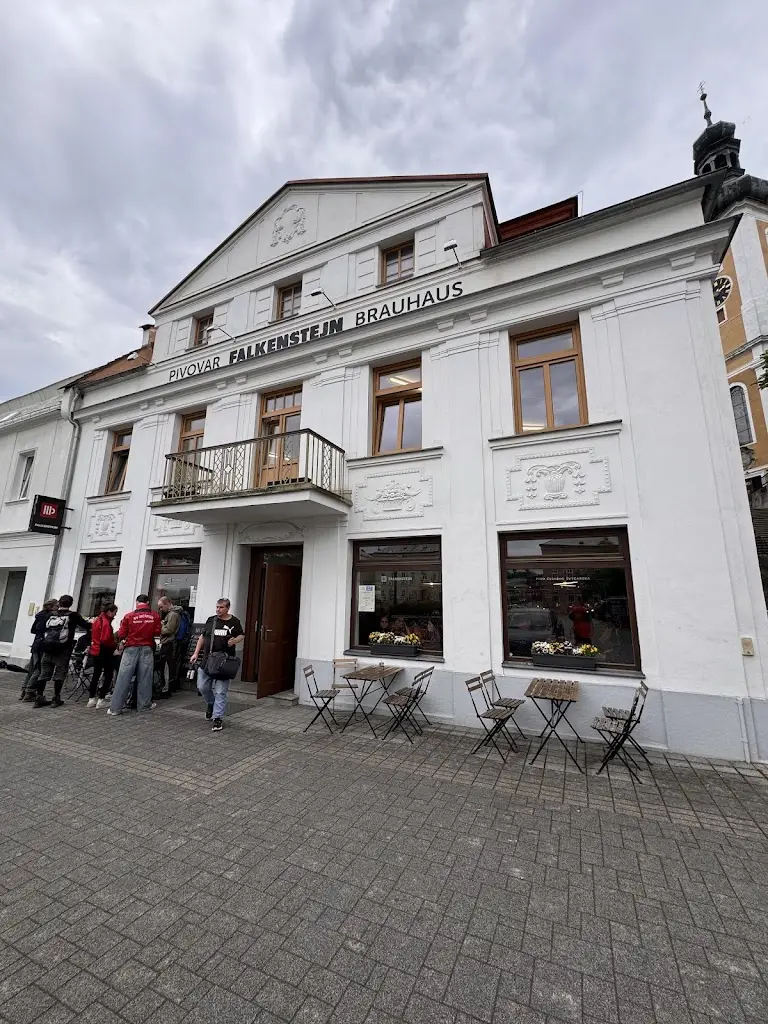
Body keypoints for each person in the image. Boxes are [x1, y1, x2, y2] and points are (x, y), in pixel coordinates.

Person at [190, 598, 244, 733]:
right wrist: (196, 653)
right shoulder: (211, 620)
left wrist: (235, 640)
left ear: (228, 608)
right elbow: (202, 637)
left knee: (220, 691)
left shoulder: (234, 622)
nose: (218, 610)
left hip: (224, 662)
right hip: (208, 660)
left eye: (221, 607)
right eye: (217, 607)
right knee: (202, 687)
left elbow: (241, 635)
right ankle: (211, 703)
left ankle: (217, 718)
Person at [107, 594, 161, 716]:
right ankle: (144, 706)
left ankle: (115, 708)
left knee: (123, 677)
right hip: (147, 648)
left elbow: (121, 633)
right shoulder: (155, 615)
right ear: (148, 602)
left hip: (130, 648)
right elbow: (157, 632)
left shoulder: (129, 616)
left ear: (137, 602)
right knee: (145, 678)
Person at [33, 596, 91, 708]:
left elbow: (40, 627)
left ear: (59, 603)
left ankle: (39, 698)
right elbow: (86, 625)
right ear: (71, 604)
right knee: (60, 673)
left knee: (44, 673)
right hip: (63, 649)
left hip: (48, 647)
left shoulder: (52, 614)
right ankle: (56, 698)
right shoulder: (73, 615)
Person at [20, 598, 58, 701]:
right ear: (50, 606)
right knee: (39, 669)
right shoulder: (50, 617)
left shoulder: (40, 615)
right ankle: (30, 691)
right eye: (56, 606)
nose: (57, 608)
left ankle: (24, 690)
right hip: (42, 645)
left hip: (36, 644)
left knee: (32, 669)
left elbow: (33, 630)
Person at [86, 603, 118, 708]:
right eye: (114, 612)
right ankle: (101, 699)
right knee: (108, 675)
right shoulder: (105, 622)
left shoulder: (97, 620)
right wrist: (114, 645)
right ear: (109, 612)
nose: (115, 615)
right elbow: (105, 639)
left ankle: (91, 699)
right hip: (104, 651)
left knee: (96, 675)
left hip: (95, 649)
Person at [157, 596, 183, 697]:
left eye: (161, 607)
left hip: (169, 643)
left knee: (166, 667)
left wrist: (161, 625)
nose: (160, 609)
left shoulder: (172, 615)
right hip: (169, 643)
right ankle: (166, 688)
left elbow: (168, 630)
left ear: (167, 604)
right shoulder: (173, 614)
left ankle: (166, 690)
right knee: (166, 667)